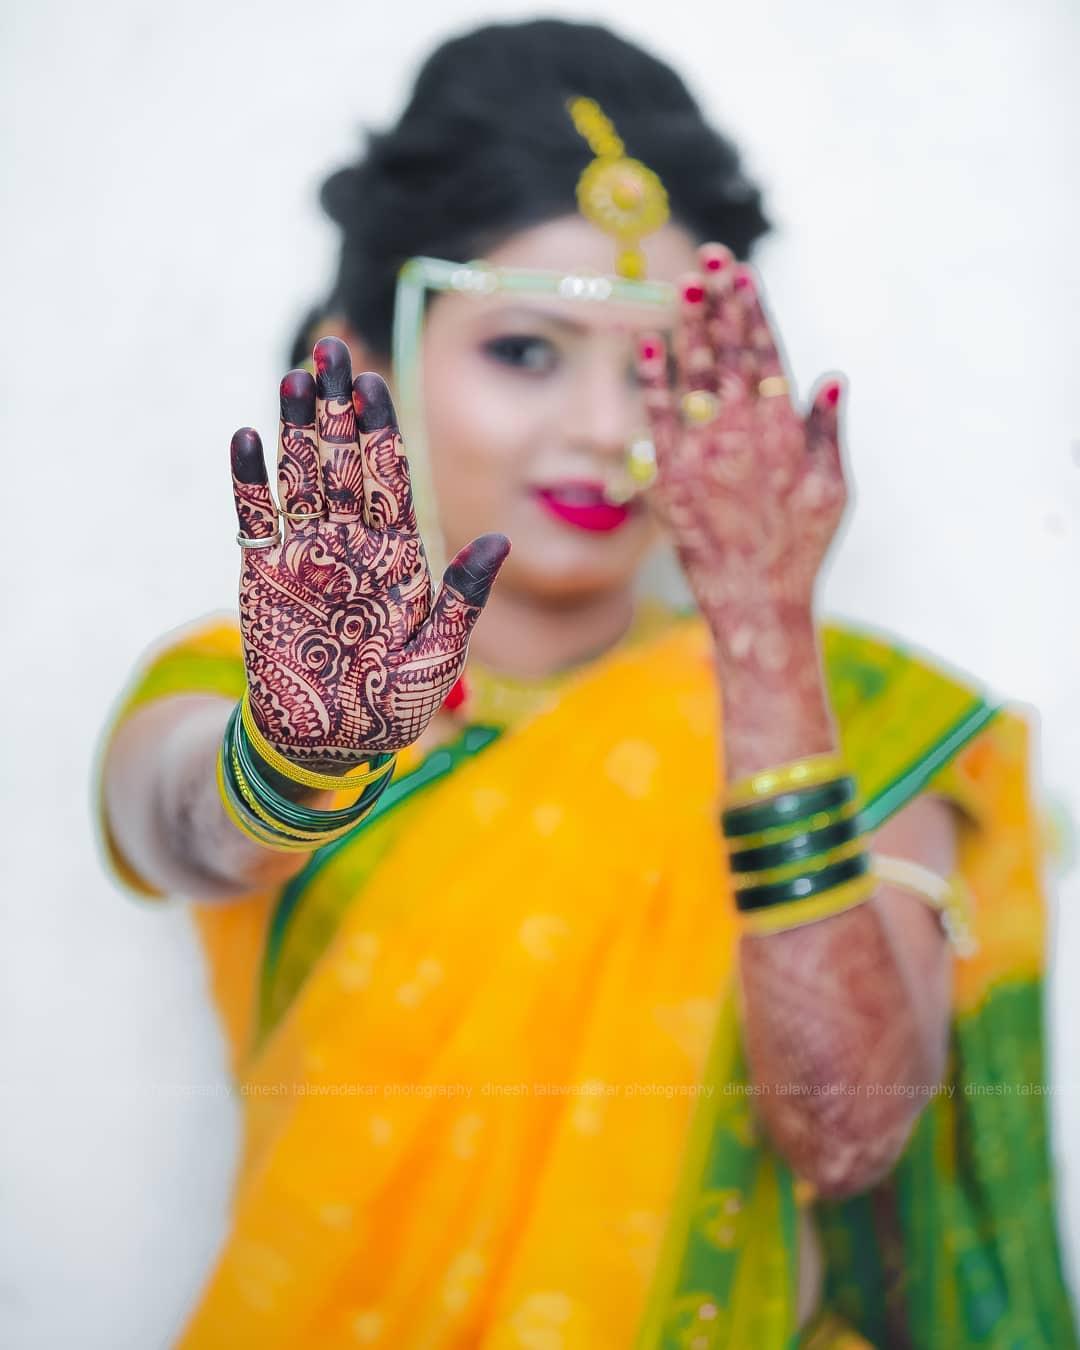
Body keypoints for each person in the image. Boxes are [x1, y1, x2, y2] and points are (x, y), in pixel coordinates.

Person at [97, 19, 1077, 1349]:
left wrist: (764, 643)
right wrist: (294, 751)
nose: (609, 429)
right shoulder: (239, 683)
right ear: (366, 358)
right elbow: (181, 818)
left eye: (658, 368)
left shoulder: (852, 709)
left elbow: (846, 1131)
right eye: (526, 351)